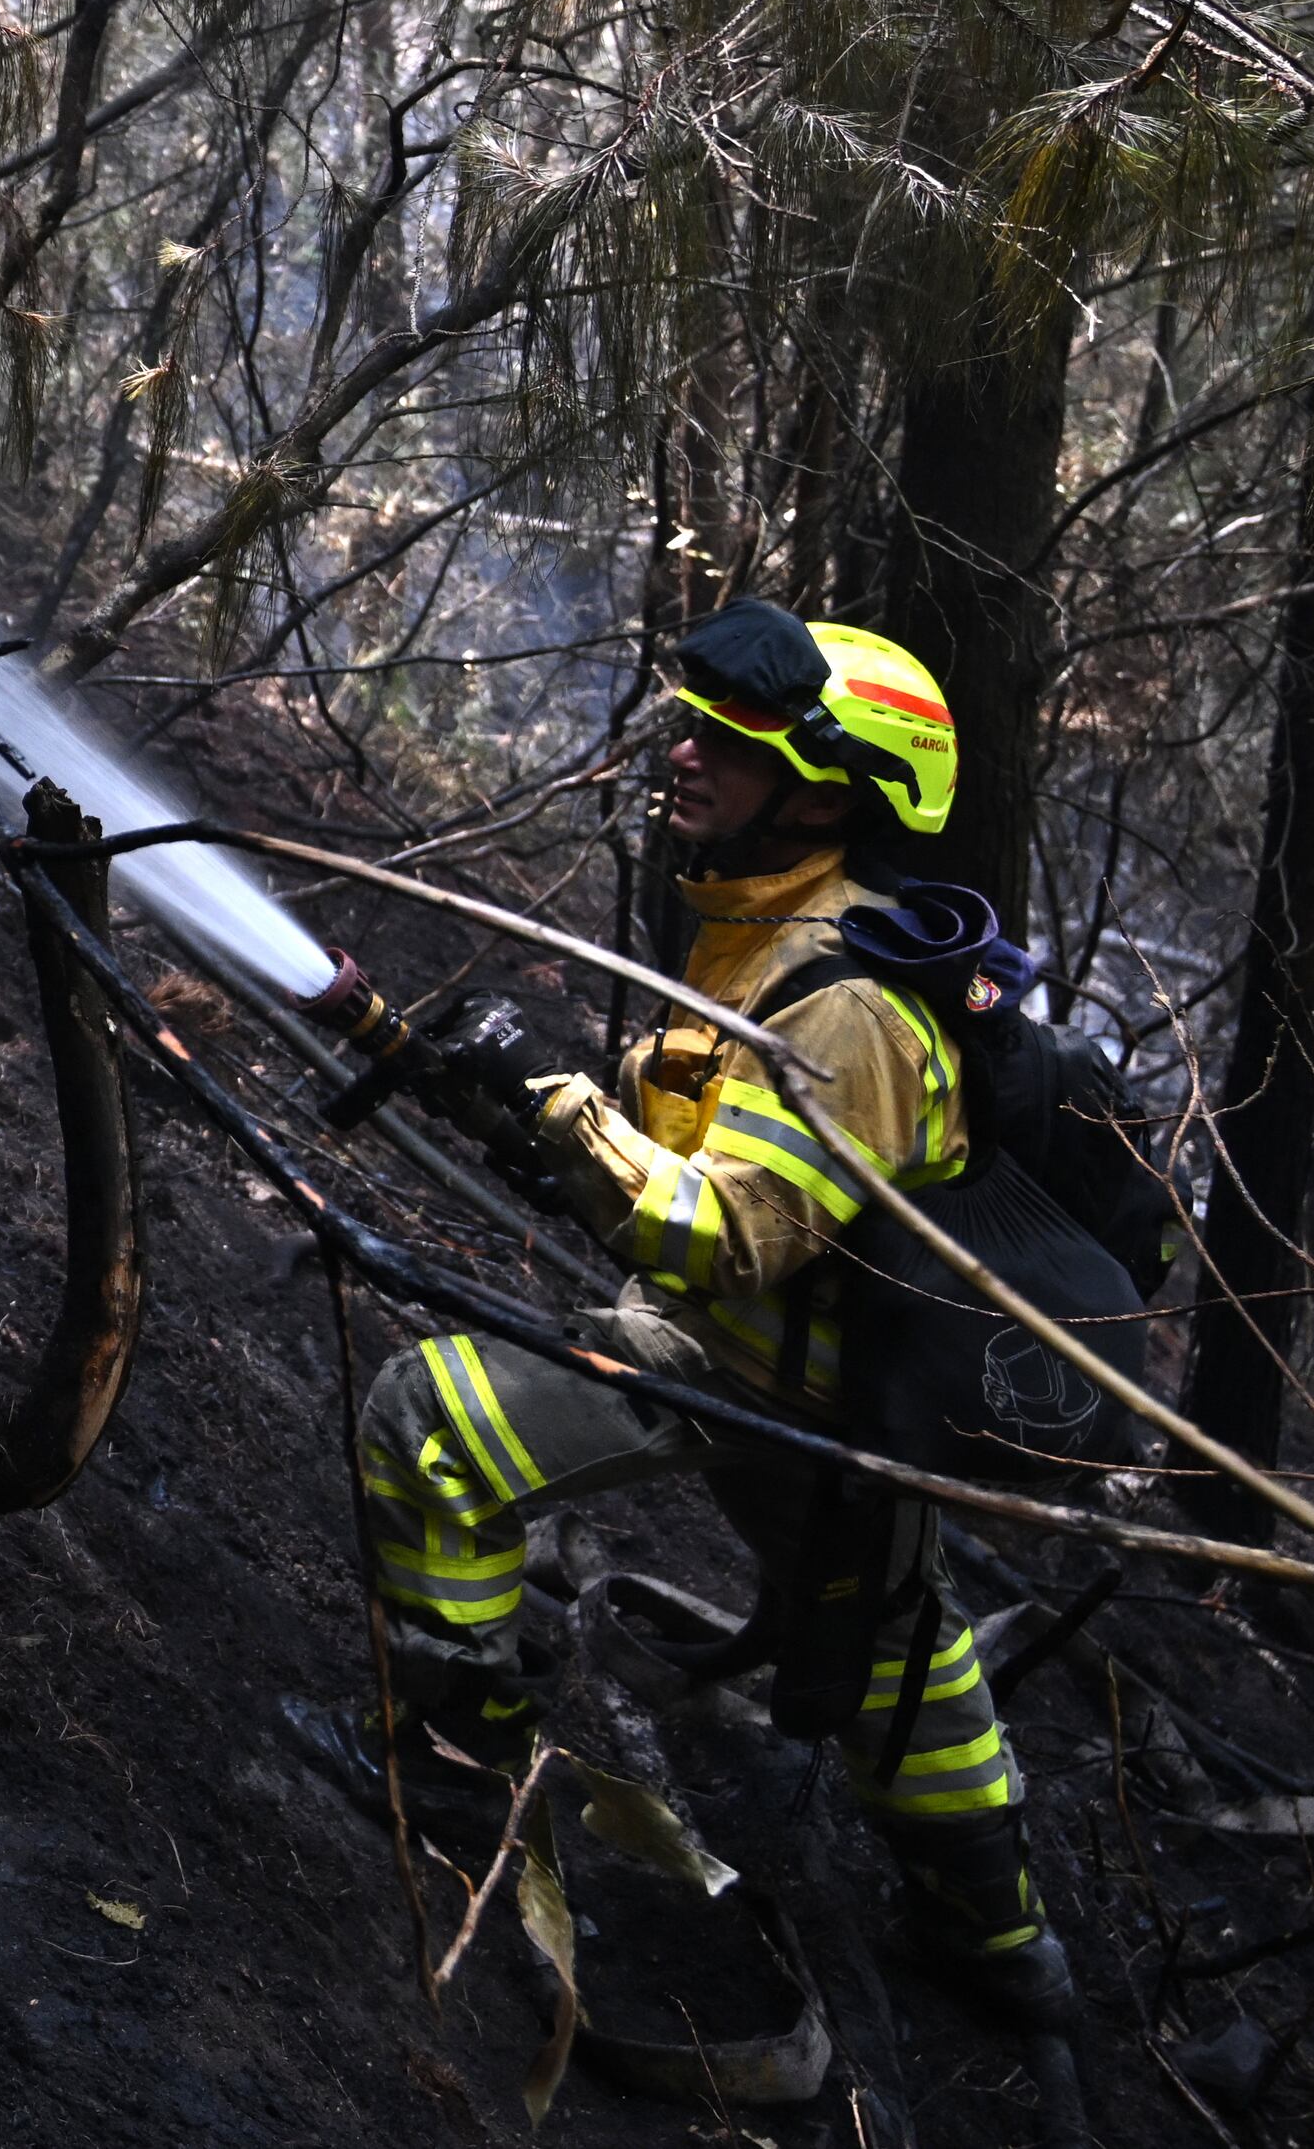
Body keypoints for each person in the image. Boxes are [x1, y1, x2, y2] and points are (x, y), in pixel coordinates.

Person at [338, 598, 1072, 2028]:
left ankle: (450, 1768)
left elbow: (730, 1235)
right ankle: (998, 1937)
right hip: (787, 1378)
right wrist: (543, 1113)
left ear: (828, 788)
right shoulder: (763, 936)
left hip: (769, 1383)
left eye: (729, 745)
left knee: (429, 1420)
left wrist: (574, 1120)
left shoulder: (847, 1000)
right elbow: (700, 1147)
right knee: (899, 1664)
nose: (685, 755)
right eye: (697, 729)